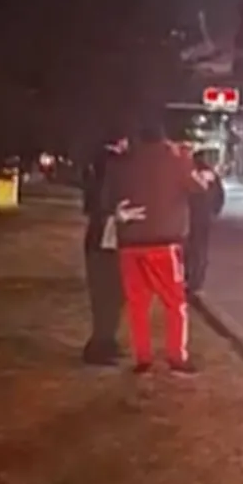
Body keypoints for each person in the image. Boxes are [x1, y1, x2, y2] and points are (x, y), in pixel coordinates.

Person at [102, 122, 206, 376]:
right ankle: (176, 356)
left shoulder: (122, 163)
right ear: (164, 139)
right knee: (175, 303)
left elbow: (107, 198)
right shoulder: (176, 162)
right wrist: (188, 161)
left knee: (137, 304)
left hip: (130, 243)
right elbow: (199, 188)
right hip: (164, 242)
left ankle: (143, 357)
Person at [80, 132, 128, 367]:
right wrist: (112, 213)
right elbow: (99, 202)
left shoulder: (102, 165)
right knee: (106, 295)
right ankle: (99, 345)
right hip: (104, 239)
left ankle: (106, 341)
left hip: (104, 239)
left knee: (111, 294)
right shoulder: (109, 165)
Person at [185, 151, 224, 294]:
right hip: (204, 216)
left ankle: (188, 277)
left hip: (190, 215)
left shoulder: (190, 174)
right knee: (201, 248)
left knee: (189, 248)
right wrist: (214, 212)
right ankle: (197, 280)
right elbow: (220, 196)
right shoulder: (212, 176)